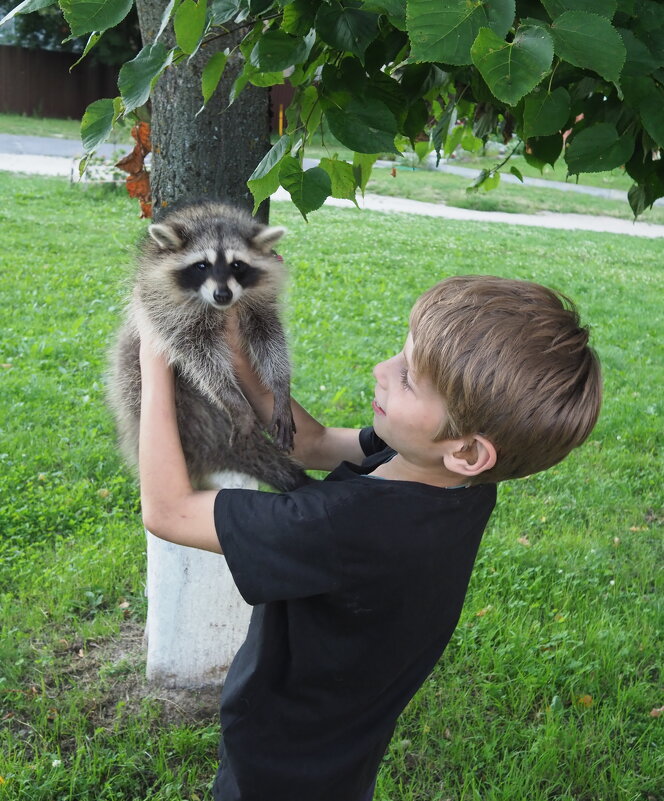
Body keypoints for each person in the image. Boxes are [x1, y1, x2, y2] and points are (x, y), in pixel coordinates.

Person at [138, 274, 602, 801]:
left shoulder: (344, 527)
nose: (382, 371)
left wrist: (156, 363)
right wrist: (235, 350)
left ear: (468, 451)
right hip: (342, 746)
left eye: (407, 379)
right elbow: (308, 443)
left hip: (281, 760)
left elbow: (170, 512)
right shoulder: (454, 481)